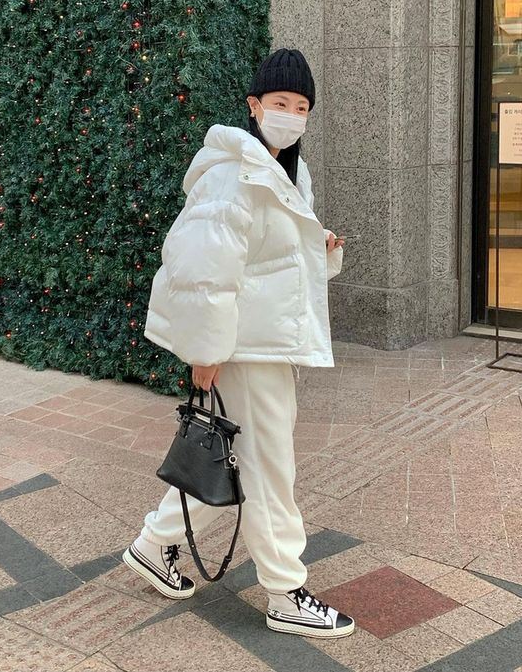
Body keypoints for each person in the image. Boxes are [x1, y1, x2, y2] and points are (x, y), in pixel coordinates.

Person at [123, 48, 355, 639]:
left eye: (301, 107)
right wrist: (205, 352)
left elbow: (267, 259)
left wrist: (319, 246)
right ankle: (285, 591)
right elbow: (206, 269)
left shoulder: (286, 172)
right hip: (245, 348)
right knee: (269, 469)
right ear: (254, 105)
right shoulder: (235, 173)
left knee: (236, 459)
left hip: (266, 342)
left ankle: (154, 543)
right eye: (281, 103)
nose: (291, 115)